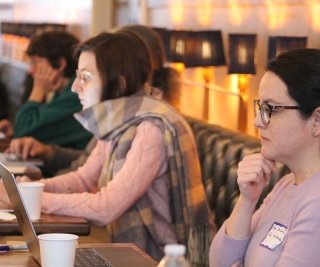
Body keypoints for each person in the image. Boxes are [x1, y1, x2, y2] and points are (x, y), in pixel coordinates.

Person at [0, 32, 214, 265]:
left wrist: (30, 199)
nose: (75, 87)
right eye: (77, 76)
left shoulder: (151, 127)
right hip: (124, 247)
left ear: (118, 83)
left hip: (157, 257)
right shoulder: (119, 120)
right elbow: (84, 179)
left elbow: (107, 207)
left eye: (86, 77)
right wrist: (27, 189)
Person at [7, 25, 181, 177]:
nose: (31, 71)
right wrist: (48, 154)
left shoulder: (145, 126)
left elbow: (108, 200)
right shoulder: (115, 113)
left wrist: (41, 194)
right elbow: (87, 165)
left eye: (36, 64)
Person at [209, 48, 320, 267]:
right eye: (260, 107)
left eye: (270, 108)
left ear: (316, 120)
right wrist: (247, 199)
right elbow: (219, 262)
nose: (257, 121)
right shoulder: (287, 183)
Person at [0, 30, 92, 149]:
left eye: (35, 63)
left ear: (59, 64)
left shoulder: (75, 96)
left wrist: (38, 90)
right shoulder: (61, 92)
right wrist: (14, 130)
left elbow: (23, 132)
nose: (31, 70)